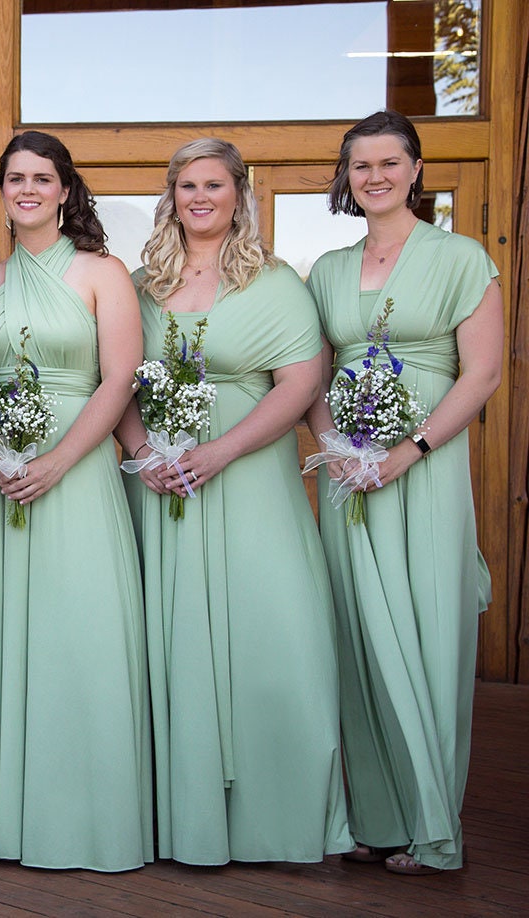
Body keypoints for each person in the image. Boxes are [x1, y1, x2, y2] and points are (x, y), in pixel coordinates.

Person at [116, 138, 352, 865]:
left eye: (213, 184)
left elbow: (300, 384)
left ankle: (274, 812)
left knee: (274, 630)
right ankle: (178, 811)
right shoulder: (140, 282)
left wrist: (222, 450)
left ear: (239, 193)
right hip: (163, 482)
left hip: (249, 477)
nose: (199, 197)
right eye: (187, 185)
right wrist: (141, 452)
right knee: (169, 636)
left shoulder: (276, 281)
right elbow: (114, 378)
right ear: (171, 196)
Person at [305, 111, 502, 876]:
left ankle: (430, 825)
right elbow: (312, 376)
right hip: (347, 474)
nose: (375, 176)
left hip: (423, 469)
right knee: (354, 634)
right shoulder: (326, 270)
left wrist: (407, 452)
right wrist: (334, 447)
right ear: (347, 178)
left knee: (426, 634)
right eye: (361, 166)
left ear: (416, 169)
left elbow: (479, 375)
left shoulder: (462, 258)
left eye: (390, 163)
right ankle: (376, 820)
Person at [0, 130, 152, 871]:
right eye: (16, 178)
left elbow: (119, 379)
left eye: (43, 177)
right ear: (4, 192)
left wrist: (61, 462)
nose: (29, 189)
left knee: (85, 633)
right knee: (2, 640)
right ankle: (3, 820)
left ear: (66, 191)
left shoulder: (105, 274)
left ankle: (93, 820)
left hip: (78, 473)